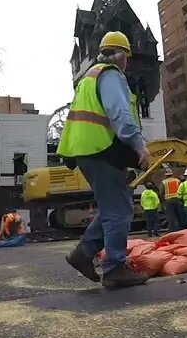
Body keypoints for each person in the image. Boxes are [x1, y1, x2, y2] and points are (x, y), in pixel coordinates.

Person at [59, 31, 151, 289]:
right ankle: (114, 268)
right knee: (119, 210)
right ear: (122, 57)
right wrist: (138, 145)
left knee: (113, 208)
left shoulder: (88, 77)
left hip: (85, 150)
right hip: (102, 148)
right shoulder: (111, 75)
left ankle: (84, 253)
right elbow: (119, 113)